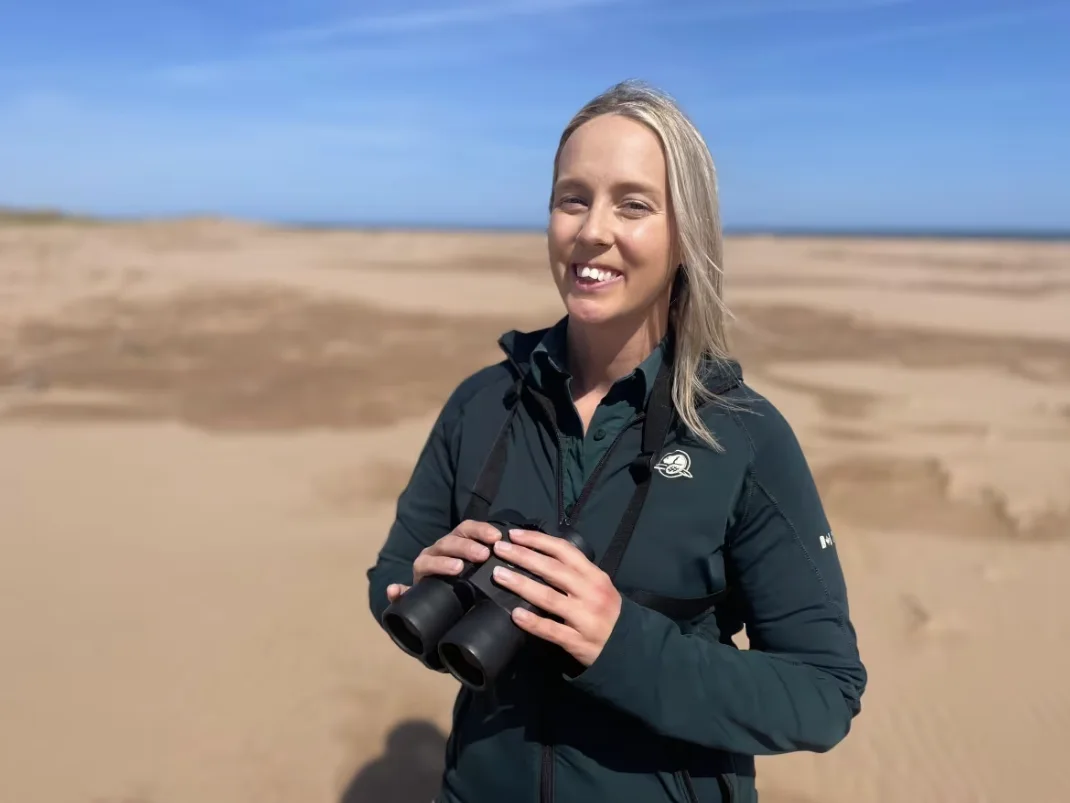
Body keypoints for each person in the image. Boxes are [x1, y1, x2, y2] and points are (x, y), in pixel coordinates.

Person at [366, 79, 867, 803]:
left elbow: (825, 691)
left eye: (632, 203)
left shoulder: (741, 437)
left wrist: (622, 643)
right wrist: (414, 584)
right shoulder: (484, 403)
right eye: (573, 198)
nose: (591, 229)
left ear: (686, 235)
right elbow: (389, 569)